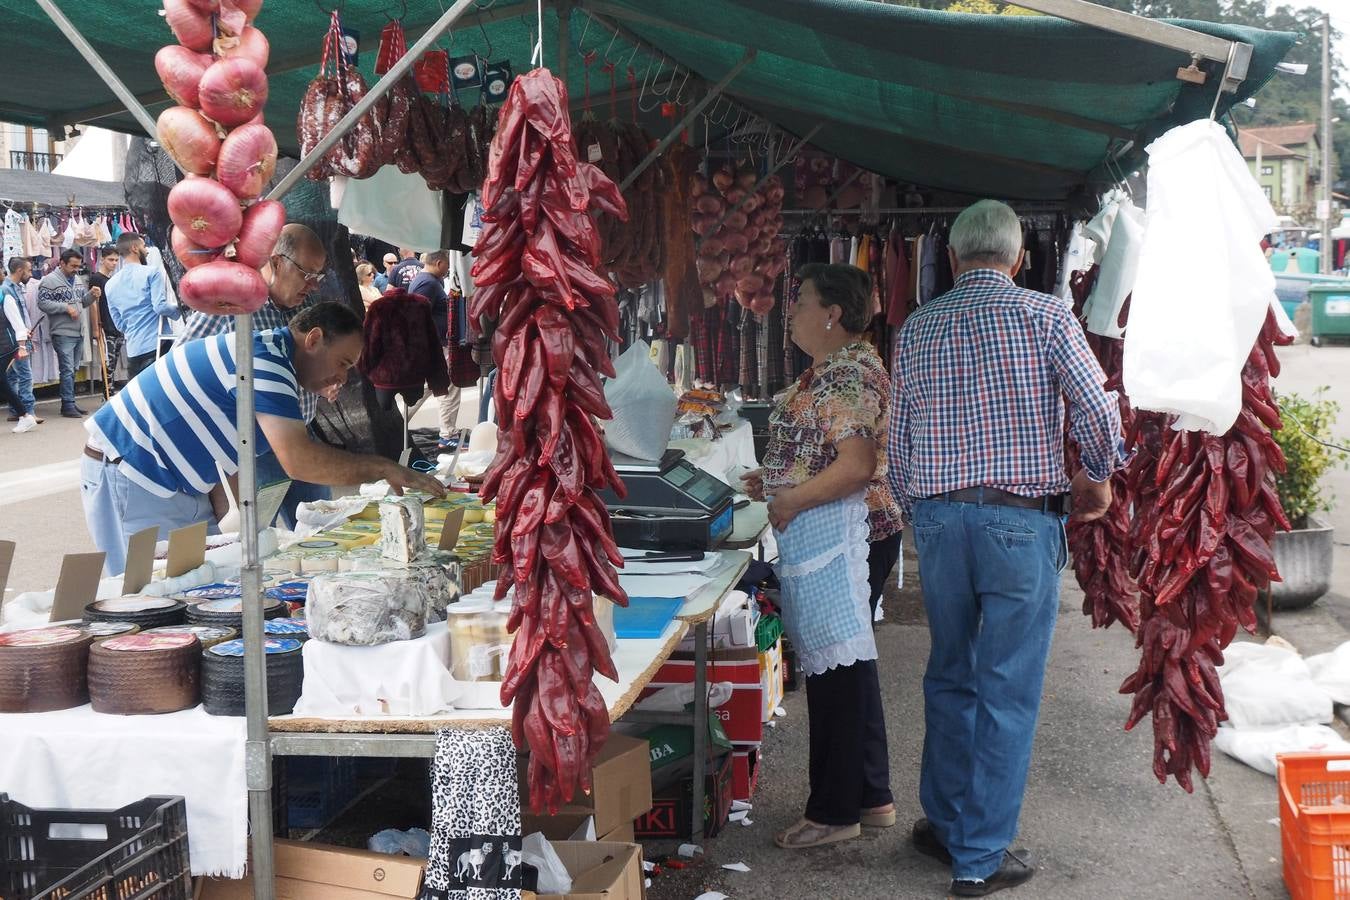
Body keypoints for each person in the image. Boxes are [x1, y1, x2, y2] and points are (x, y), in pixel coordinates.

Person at [888, 200, 1124, 897]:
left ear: (955, 260)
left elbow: (898, 439)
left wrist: (917, 511)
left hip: (938, 521)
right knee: (1007, 689)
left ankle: (944, 824)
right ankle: (978, 858)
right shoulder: (1047, 316)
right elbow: (1097, 406)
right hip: (1021, 523)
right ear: (1019, 259)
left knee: (950, 673)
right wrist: (1097, 475)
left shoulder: (918, 327)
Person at [82, 301, 445, 575]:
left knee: (200, 582)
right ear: (314, 339)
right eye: (343, 363)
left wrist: (236, 516)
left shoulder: (274, 358)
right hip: (134, 471)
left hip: (178, 484)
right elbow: (299, 460)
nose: (343, 378)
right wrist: (382, 468)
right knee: (148, 593)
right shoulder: (265, 360)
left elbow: (234, 446)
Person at [740, 264, 898, 851]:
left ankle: (834, 810)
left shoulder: (843, 378)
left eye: (800, 300)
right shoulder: (838, 370)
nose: (791, 312)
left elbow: (855, 465)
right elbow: (828, 452)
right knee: (851, 661)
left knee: (836, 668)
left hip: (846, 534)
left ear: (833, 313)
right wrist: (778, 479)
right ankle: (869, 794)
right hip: (849, 532)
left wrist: (792, 500)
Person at [177, 223, 333, 530]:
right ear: (276, 262)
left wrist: (323, 382)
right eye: (307, 273)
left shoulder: (301, 309)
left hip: (301, 432)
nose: (313, 285)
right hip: (256, 443)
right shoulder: (233, 302)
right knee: (262, 535)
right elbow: (182, 360)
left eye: (319, 276)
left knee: (321, 525)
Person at [106, 233, 179, 380]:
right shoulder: (151, 273)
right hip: (157, 345)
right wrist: (180, 310)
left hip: (133, 351)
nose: (146, 250)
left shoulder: (110, 284)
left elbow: (119, 325)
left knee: (141, 399)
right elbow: (160, 307)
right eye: (143, 246)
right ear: (134, 248)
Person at [409, 251, 459, 451]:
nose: (448, 270)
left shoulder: (427, 281)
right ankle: (448, 434)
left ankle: (447, 432)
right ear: (439, 263)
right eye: (447, 265)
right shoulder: (428, 283)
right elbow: (415, 316)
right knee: (447, 387)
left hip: (435, 346)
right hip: (437, 346)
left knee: (432, 388)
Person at [37, 249, 95, 418]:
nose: (76, 269)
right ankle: (67, 404)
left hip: (78, 331)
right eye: (73, 266)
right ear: (62, 263)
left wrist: (91, 295)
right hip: (62, 332)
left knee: (73, 368)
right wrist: (64, 308)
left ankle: (70, 402)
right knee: (67, 369)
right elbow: (42, 303)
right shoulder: (49, 281)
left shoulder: (76, 279)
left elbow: (82, 302)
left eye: (78, 266)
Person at [3, 258, 39, 432]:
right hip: (10, 342)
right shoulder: (8, 290)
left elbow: (16, 320)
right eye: (29, 270)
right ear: (19, 270)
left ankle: (25, 413)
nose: (31, 274)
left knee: (13, 377)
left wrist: (23, 343)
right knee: (12, 378)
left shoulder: (8, 291)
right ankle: (25, 413)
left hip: (11, 343)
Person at [88, 247, 123, 393]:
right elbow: (93, 304)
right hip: (105, 325)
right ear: (102, 259)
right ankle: (107, 392)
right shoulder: (97, 278)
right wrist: (96, 328)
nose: (114, 263)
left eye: (116, 260)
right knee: (108, 362)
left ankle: (110, 391)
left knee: (113, 362)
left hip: (116, 325)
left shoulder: (111, 279)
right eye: (111, 260)